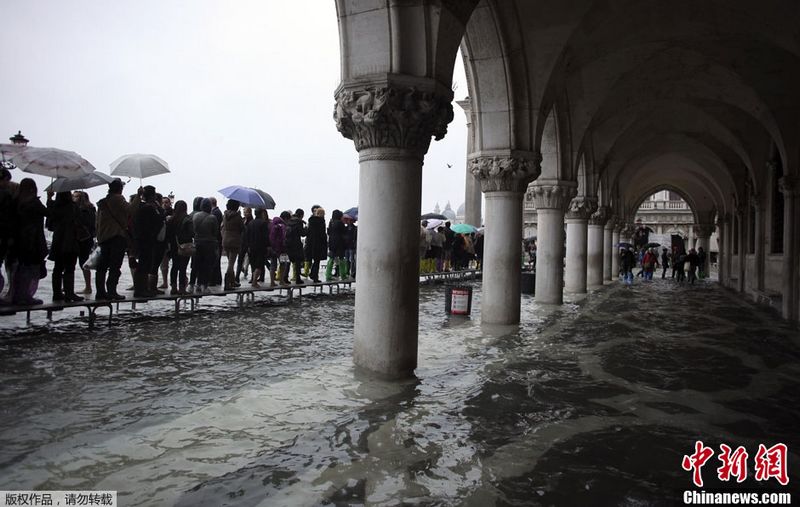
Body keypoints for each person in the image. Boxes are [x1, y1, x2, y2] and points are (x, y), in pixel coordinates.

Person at [9, 179, 48, 305]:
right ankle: (25, 295)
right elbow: (49, 213)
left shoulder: (15, 202)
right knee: (31, 270)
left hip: (18, 240)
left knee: (20, 269)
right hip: (33, 240)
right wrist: (50, 199)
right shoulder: (34, 203)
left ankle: (16, 294)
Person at [95, 178, 131, 300]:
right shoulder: (118, 199)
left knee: (102, 267)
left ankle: (100, 292)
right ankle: (111, 291)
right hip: (117, 236)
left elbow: (97, 222)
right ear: (120, 188)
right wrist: (138, 197)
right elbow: (130, 210)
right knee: (115, 266)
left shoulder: (102, 202)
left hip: (104, 237)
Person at [46, 192, 84, 302]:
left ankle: (57, 293)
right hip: (70, 240)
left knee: (57, 268)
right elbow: (79, 221)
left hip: (58, 240)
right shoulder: (72, 207)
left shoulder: (55, 207)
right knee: (70, 268)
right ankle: (69, 293)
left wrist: (49, 199)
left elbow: (50, 225)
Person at [132, 185, 164, 297]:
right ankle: (140, 289)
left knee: (145, 264)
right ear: (151, 195)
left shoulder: (144, 207)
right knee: (144, 264)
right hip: (146, 239)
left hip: (145, 239)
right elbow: (158, 220)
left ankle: (143, 288)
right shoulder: (148, 208)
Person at [165, 200, 193, 295]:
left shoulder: (171, 219)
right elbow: (192, 233)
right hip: (184, 246)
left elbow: (167, 234)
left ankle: (173, 287)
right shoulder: (187, 219)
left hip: (173, 245)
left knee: (174, 267)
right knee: (183, 268)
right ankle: (182, 288)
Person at [192, 198, 219, 294]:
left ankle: (194, 285)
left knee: (196, 265)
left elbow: (193, 230)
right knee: (206, 266)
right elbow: (215, 232)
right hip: (209, 244)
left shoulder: (195, 216)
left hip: (197, 242)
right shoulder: (212, 218)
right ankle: (204, 285)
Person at [73, 191, 96, 294]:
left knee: (82, 262)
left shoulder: (83, 210)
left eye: (76, 196)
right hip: (87, 239)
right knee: (83, 262)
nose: (73, 198)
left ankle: (88, 287)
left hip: (81, 239)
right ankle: (87, 286)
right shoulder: (91, 208)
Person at [221, 199, 245, 290]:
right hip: (234, 241)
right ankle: (227, 284)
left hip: (225, 239)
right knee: (231, 263)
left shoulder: (224, 215)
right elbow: (242, 228)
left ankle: (232, 281)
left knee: (230, 261)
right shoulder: (237, 216)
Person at [245, 208, 270, 287]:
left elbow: (247, 235)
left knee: (253, 265)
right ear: (261, 214)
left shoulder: (250, 223)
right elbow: (266, 236)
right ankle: (254, 281)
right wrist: (268, 246)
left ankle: (253, 279)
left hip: (251, 247)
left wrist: (248, 245)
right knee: (259, 265)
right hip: (260, 247)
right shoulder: (263, 223)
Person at [285, 208, 307, 284]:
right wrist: (306, 228)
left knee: (288, 261)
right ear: (301, 215)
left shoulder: (289, 221)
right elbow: (302, 233)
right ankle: (298, 278)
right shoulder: (299, 222)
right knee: (297, 262)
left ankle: (285, 277)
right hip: (296, 243)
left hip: (288, 243)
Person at [306, 207, 327, 283]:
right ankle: (315, 277)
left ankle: (312, 274)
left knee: (314, 260)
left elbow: (308, 232)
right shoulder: (321, 222)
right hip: (318, 243)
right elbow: (322, 234)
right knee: (317, 261)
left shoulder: (311, 221)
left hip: (311, 243)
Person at [325, 209, 346, 282]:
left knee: (331, 259)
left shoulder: (331, 222)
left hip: (331, 242)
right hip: (339, 243)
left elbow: (329, 232)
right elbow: (344, 232)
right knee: (341, 259)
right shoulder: (340, 223)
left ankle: (328, 275)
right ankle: (343, 275)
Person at [270, 211, 289, 286]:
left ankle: (272, 282)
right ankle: (281, 281)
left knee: (273, 265)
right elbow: (284, 237)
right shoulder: (282, 225)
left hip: (273, 247)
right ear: (286, 218)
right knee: (284, 264)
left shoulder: (272, 223)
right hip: (282, 248)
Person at [236, 207, 254, 284]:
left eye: (246, 212)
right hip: (242, 243)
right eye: (244, 212)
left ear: (250, 212)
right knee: (240, 261)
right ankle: (237, 277)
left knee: (252, 261)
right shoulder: (242, 220)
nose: (244, 213)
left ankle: (253, 278)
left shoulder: (251, 221)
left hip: (249, 243)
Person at [209, 197, 223, 287]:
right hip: (218, 240)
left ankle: (215, 280)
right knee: (216, 261)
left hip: (216, 240)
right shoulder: (217, 212)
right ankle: (217, 280)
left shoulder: (215, 213)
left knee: (215, 261)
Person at [303, 204, 320, 277]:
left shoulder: (321, 220)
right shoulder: (311, 220)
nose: (316, 212)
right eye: (314, 211)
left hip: (316, 242)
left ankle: (311, 273)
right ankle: (307, 272)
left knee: (316, 259)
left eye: (317, 210)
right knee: (308, 257)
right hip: (310, 241)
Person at [343, 214, 357, 280]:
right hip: (346, 246)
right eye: (348, 220)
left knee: (352, 260)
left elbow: (355, 237)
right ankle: (347, 272)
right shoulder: (345, 228)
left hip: (352, 246)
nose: (349, 221)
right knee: (347, 260)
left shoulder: (355, 228)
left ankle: (352, 273)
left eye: (351, 220)